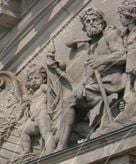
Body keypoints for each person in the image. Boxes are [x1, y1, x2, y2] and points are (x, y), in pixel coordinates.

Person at [50, 7, 126, 148]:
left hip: (112, 80)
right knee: (69, 108)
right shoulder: (92, 46)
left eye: (94, 20)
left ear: (101, 22)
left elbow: (123, 54)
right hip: (96, 84)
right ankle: (74, 139)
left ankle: (62, 146)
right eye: (88, 21)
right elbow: (89, 74)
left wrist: (101, 59)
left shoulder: (109, 33)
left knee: (69, 102)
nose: (91, 23)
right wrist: (81, 87)